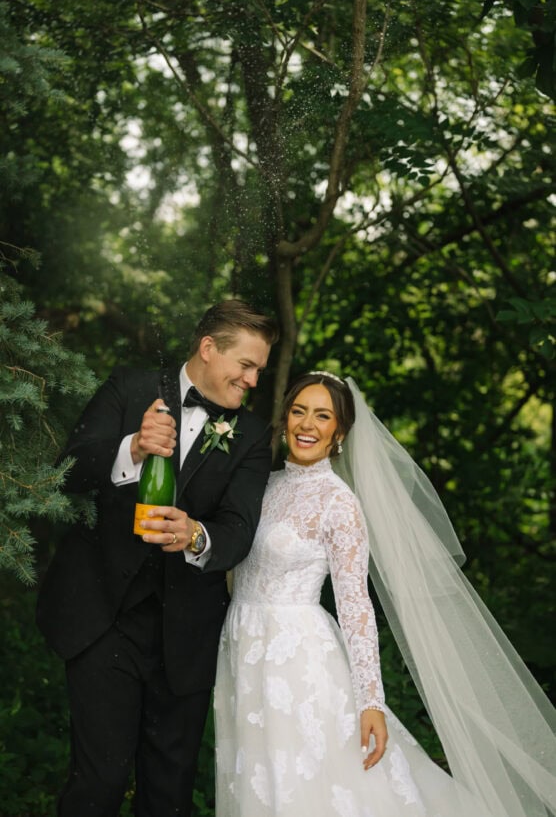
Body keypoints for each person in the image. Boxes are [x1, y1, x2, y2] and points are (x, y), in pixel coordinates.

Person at [214, 371, 556, 817]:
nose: (307, 425)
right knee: (257, 777)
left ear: (339, 432)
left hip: (298, 660)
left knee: (306, 784)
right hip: (243, 647)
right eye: (299, 411)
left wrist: (371, 702)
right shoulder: (264, 485)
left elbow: (356, 608)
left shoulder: (339, 503)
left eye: (322, 416)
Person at [36, 299, 279, 817]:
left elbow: (239, 530)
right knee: (97, 782)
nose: (254, 380)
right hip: (104, 620)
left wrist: (196, 535)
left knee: (168, 794)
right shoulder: (129, 387)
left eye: (259, 369)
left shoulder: (254, 437)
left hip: (186, 636)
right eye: (247, 365)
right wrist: (134, 449)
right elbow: (70, 470)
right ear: (209, 349)